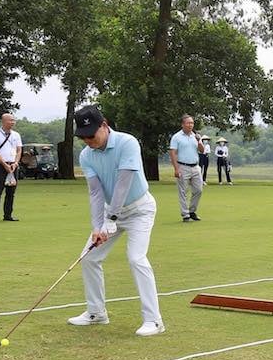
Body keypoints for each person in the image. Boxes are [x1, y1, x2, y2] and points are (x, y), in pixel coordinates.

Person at [66, 105, 165, 337]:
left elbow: (124, 182)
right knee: (89, 257)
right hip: (112, 212)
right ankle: (96, 313)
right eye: (83, 137)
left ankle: (154, 320)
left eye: (91, 135)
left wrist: (110, 219)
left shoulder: (127, 142)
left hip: (140, 210)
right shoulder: (86, 155)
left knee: (136, 258)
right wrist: (97, 226)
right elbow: (96, 193)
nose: (88, 140)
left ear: (104, 125)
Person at [169, 114, 205, 221]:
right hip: (182, 166)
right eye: (188, 123)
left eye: (192, 123)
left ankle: (192, 211)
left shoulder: (195, 136)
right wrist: (176, 169)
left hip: (195, 166)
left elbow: (202, 151)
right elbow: (173, 153)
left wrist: (199, 140)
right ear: (183, 124)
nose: (191, 125)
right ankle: (185, 215)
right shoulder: (176, 137)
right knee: (183, 191)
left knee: (198, 190)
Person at [0, 113, 23, 222]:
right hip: (0, 165)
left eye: (13, 120)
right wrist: (4, 164)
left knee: (11, 192)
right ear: (3, 121)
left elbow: (19, 150)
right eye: (10, 120)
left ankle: (8, 214)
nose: (12, 122)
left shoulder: (16, 135)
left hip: (13, 165)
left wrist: (16, 163)